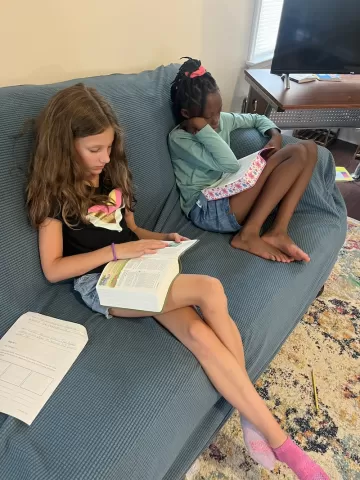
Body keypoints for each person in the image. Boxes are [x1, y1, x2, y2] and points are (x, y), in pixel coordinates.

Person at [26, 84, 328, 479]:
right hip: (101, 283)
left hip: (138, 266)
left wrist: (161, 239)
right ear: (65, 145)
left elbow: (130, 229)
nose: (103, 159)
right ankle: (284, 445)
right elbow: (53, 268)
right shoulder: (53, 195)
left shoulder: (110, 174)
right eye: (93, 150)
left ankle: (251, 416)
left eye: (108, 148)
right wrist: (116, 254)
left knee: (201, 337)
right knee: (209, 289)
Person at [168, 57, 318, 263]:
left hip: (230, 190)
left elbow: (256, 118)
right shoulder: (180, 139)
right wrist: (202, 129)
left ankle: (278, 230)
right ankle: (248, 234)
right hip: (206, 209)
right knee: (295, 153)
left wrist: (275, 135)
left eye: (219, 112)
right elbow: (229, 164)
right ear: (188, 114)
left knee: (309, 148)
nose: (216, 121)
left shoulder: (221, 120)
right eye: (209, 116)